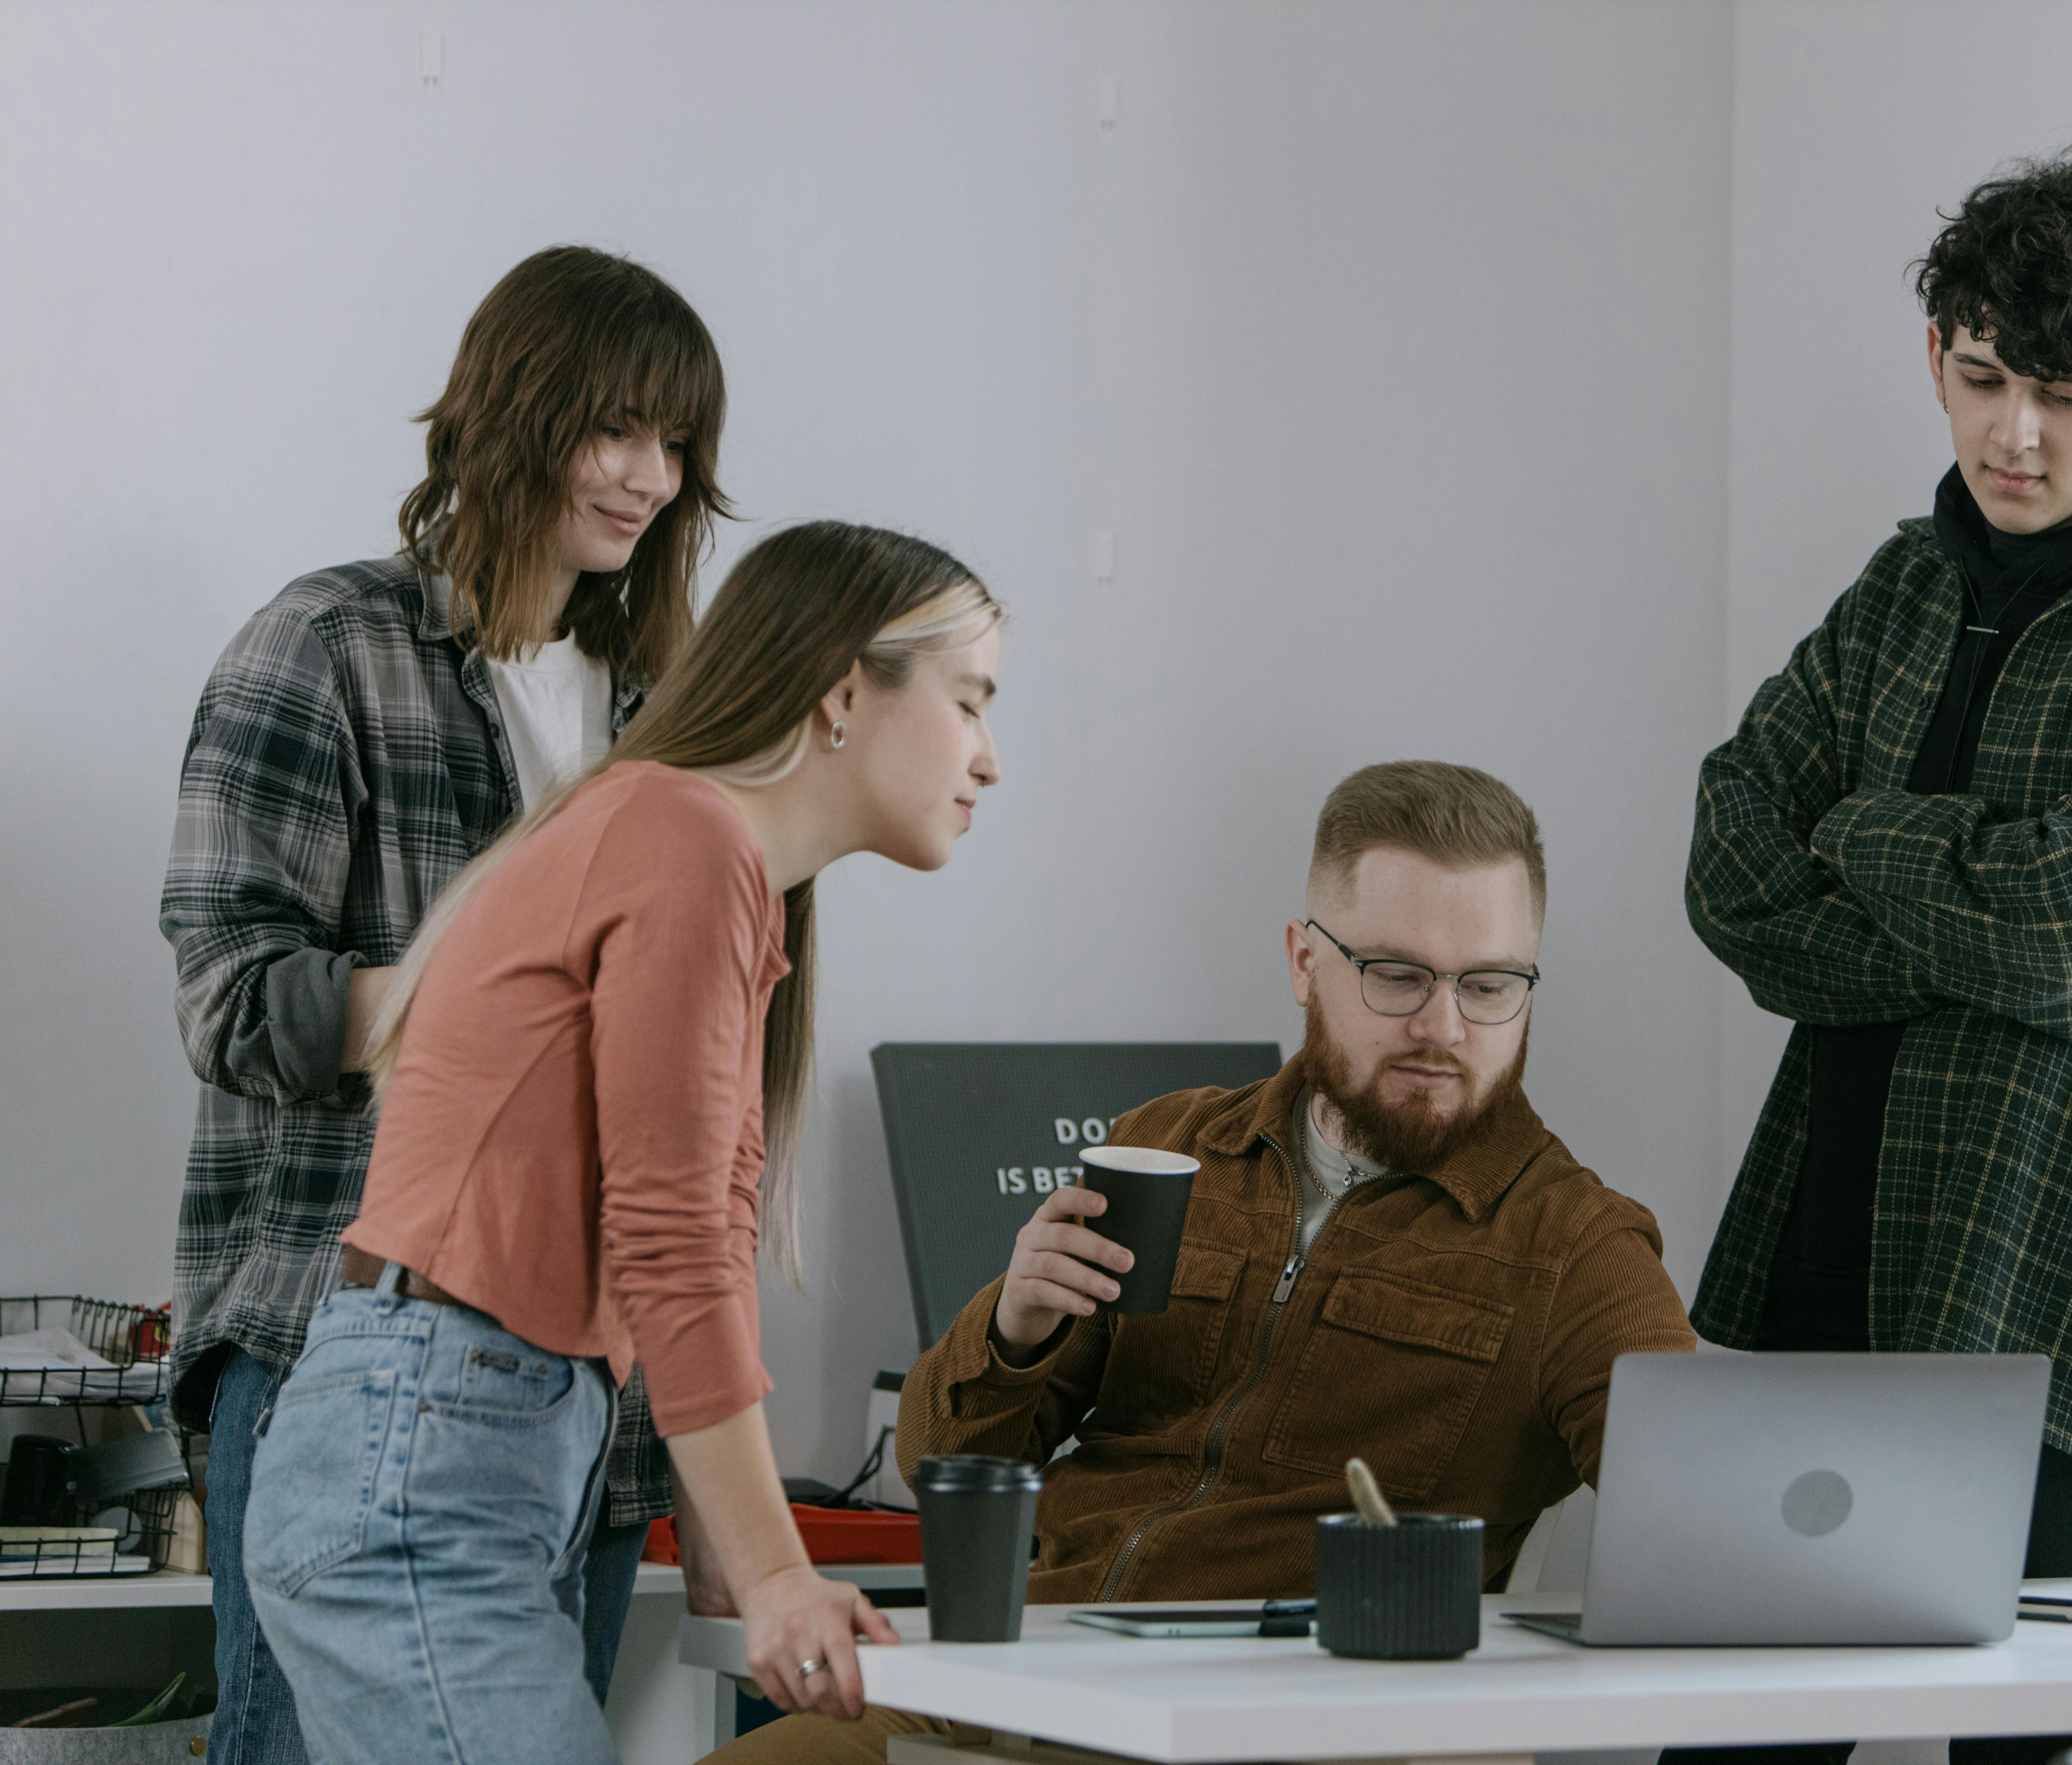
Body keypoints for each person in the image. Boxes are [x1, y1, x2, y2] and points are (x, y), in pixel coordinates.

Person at [1681, 156, 2072, 1765]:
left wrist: (1874, 834)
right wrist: (1985, 913)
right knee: (1721, 1750)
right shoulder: (1909, 582)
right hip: (1824, 1271)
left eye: (2066, 395)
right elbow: (1732, 865)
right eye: (1980, 378)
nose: (2011, 435)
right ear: (1936, 358)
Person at [717, 759, 1698, 1765]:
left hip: (1276, 1732)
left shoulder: (1578, 1248)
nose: (1443, 1027)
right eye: (1398, 975)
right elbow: (942, 1467)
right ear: (1304, 961)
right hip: (1019, 1683)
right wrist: (1014, 1327)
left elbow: (1706, 1522)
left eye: (1489, 984)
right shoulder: (1171, 1144)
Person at [240, 521, 1005, 1763]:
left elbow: (711, 1220)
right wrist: (771, 1574)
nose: (989, 759)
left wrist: (733, 1534)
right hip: (423, 1466)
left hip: (446, 1450)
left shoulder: (716, 864)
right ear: (846, 693)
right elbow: (669, 1239)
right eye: (972, 702)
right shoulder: (684, 839)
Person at [159, 244, 728, 1764]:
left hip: (589, 1401)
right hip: (339, 1351)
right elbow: (231, 999)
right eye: (617, 427)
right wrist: (470, 989)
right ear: (514, 413)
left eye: (678, 444)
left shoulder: (665, 711)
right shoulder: (330, 646)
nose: (649, 477)